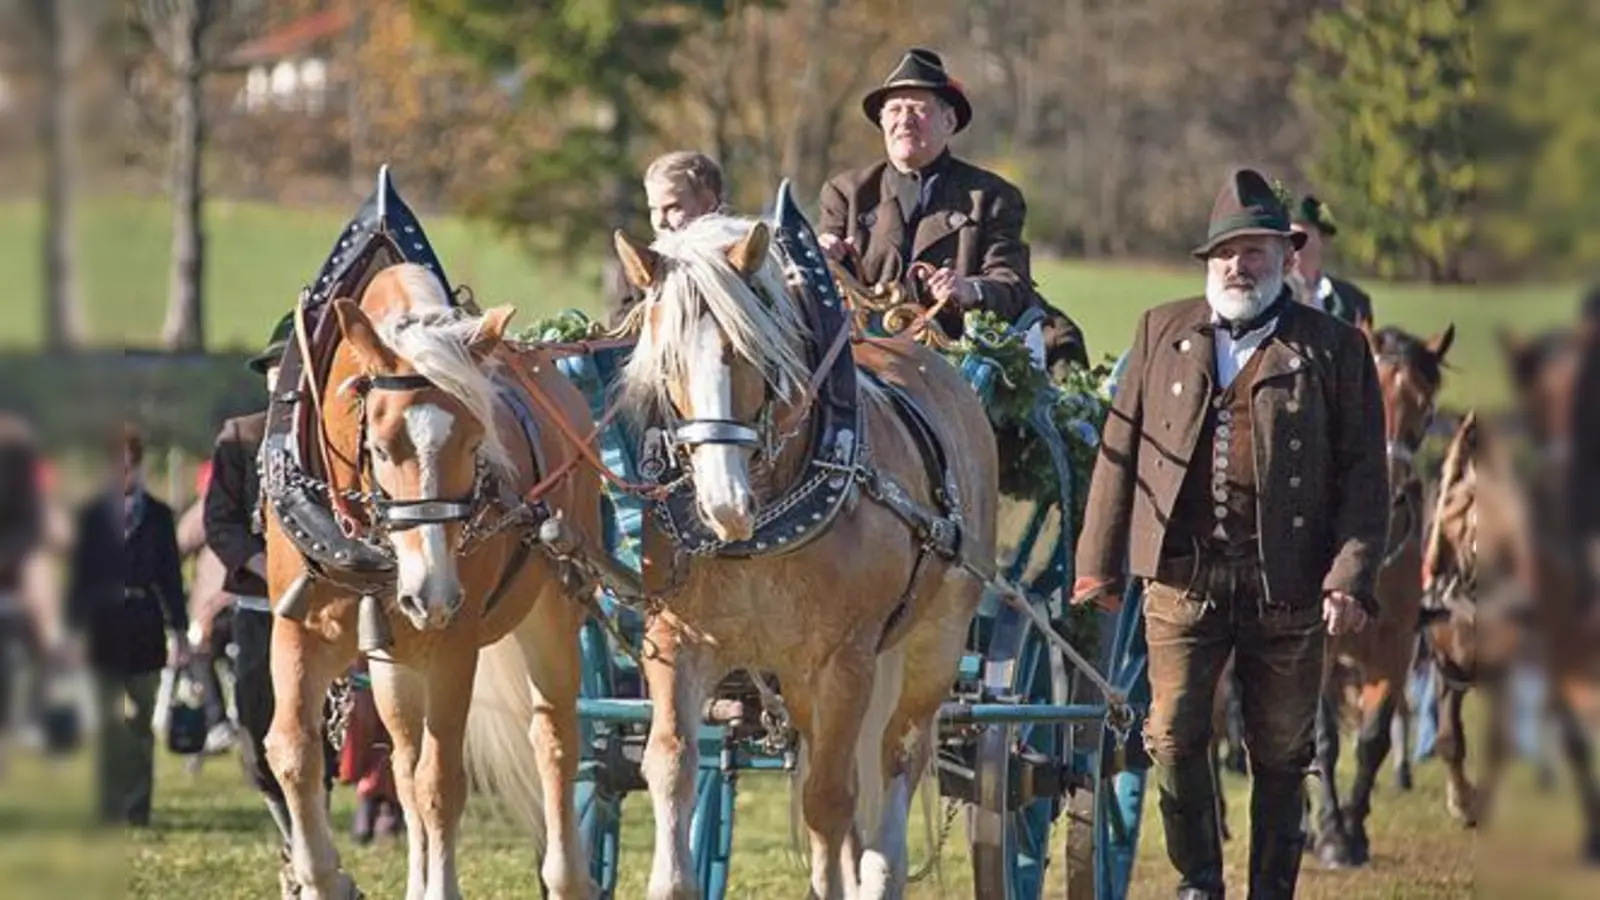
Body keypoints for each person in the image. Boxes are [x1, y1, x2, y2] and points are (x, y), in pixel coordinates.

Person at [1071, 167, 1388, 899]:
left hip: (1289, 582)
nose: (1237, 266)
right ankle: (1198, 884)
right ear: (1207, 262)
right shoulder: (1161, 330)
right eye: (1225, 253)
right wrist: (1099, 565)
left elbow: (1364, 474)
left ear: (1285, 257)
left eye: (1253, 252)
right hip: (1183, 578)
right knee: (1172, 735)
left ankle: (1270, 890)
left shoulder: (1335, 347)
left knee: (1281, 750)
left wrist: (1349, 575)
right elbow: (1120, 450)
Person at [202, 313, 336, 854]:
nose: (284, 377)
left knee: (318, 730)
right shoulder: (240, 437)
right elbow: (219, 523)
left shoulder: (332, 439)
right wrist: (266, 566)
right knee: (258, 729)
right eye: (277, 367)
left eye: (295, 367)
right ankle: (294, 839)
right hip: (261, 605)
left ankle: (315, 844)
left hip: (324, 607)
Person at [816, 49, 1044, 348]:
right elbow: (819, 287)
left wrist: (970, 290)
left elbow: (1012, 284)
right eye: (895, 110)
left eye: (917, 109)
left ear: (949, 122)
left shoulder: (992, 197)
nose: (904, 120)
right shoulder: (845, 193)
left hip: (955, 360)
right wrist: (820, 256)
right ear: (882, 122)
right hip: (861, 357)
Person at [68, 424, 190, 826]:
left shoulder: (158, 516)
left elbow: (171, 579)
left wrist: (180, 632)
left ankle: (137, 806)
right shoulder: (90, 517)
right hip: (102, 626)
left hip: (143, 625)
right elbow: (80, 580)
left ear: (137, 467)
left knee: (139, 718)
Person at [608, 151, 729, 325]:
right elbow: (623, 334)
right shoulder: (641, 270)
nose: (660, 222)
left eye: (673, 208)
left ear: (708, 202)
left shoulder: (741, 266)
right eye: (653, 209)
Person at [1289, 194, 1375, 329]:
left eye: (1303, 234)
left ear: (1323, 239)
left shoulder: (1352, 300)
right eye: (1290, 234)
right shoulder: (1272, 295)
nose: (1294, 241)